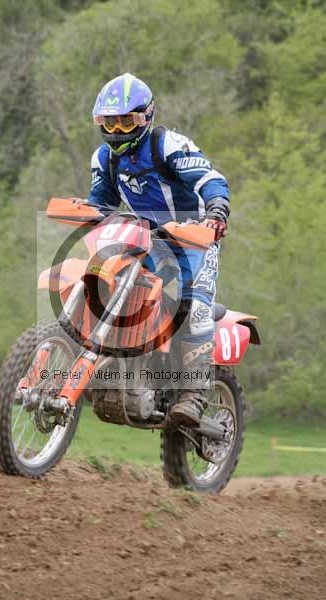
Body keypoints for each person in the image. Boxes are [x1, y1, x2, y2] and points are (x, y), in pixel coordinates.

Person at [86, 73, 230, 428]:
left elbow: (210, 179)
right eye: (110, 123)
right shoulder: (104, 159)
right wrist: (88, 215)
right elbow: (101, 203)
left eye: (126, 122)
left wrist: (216, 211)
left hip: (192, 239)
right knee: (102, 281)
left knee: (194, 306)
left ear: (145, 117)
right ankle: (105, 361)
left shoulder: (169, 146)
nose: (117, 131)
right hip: (144, 240)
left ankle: (194, 395)